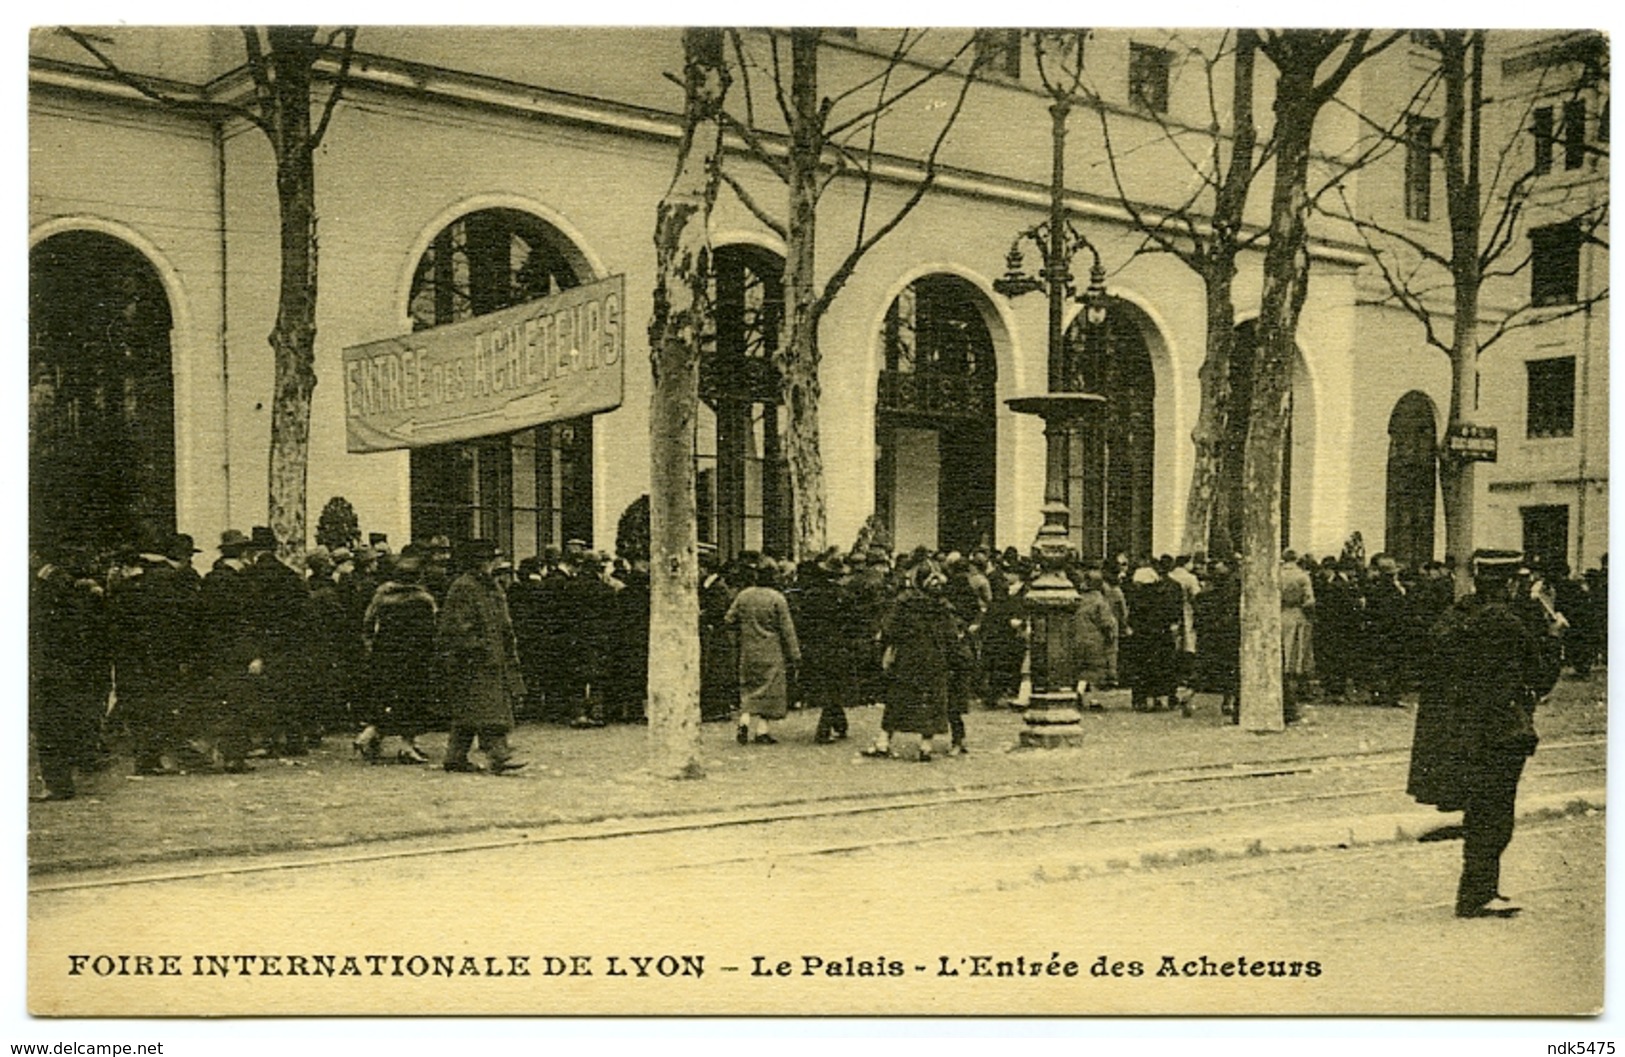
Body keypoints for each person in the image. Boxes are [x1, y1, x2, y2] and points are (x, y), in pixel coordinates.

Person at [1406, 550, 1561, 919]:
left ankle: (1476, 891)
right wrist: (1554, 637)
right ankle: (1477, 895)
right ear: (1509, 583)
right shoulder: (1508, 623)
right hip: (1500, 733)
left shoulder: (1454, 617)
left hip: (1459, 735)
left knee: (1480, 812)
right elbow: (1540, 679)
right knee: (1495, 816)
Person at [437, 539, 528, 774]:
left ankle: (455, 757)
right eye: (491, 559)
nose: (495, 563)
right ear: (479, 562)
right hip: (474, 660)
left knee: (469, 712)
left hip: (493, 657)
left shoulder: (489, 586)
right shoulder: (465, 586)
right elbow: (458, 625)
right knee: (488, 709)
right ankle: (498, 754)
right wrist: (478, 647)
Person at [356, 543, 440, 764]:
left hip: (384, 653)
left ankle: (369, 735)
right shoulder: (423, 599)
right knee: (411, 700)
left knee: (385, 697)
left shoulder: (382, 594)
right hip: (414, 657)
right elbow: (432, 629)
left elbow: (368, 623)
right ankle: (406, 746)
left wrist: (371, 646)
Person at [865, 561, 956, 762]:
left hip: (907, 658)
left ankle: (883, 741)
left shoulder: (904, 602)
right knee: (930, 701)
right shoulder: (942, 606)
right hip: (935, 659)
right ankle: (925, 746)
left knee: (897, 699)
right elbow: (951, 636)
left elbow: (889, 629)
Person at [724, 559, 801, 745]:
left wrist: (741, 632)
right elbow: (787, 629)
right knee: (770, 689)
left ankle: (744, 721)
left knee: (748, 687)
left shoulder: (744, 595)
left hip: (748, 649)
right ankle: (762, 731)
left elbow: (728, 619)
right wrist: (795, 654)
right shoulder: (777, 598)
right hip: (771, 650)